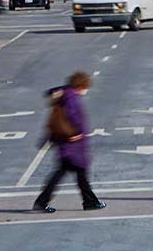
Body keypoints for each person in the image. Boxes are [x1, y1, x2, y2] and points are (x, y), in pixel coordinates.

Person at [33, 71, 105, 213]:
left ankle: (89, 201)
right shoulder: (71, 97)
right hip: (73, 143)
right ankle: (89, 202)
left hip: (66, 143)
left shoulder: (65, 93)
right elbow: (74, 117)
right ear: (81, 85)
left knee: (73, 173)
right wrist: (78, 133)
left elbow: (54, 93)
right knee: (74, 173)